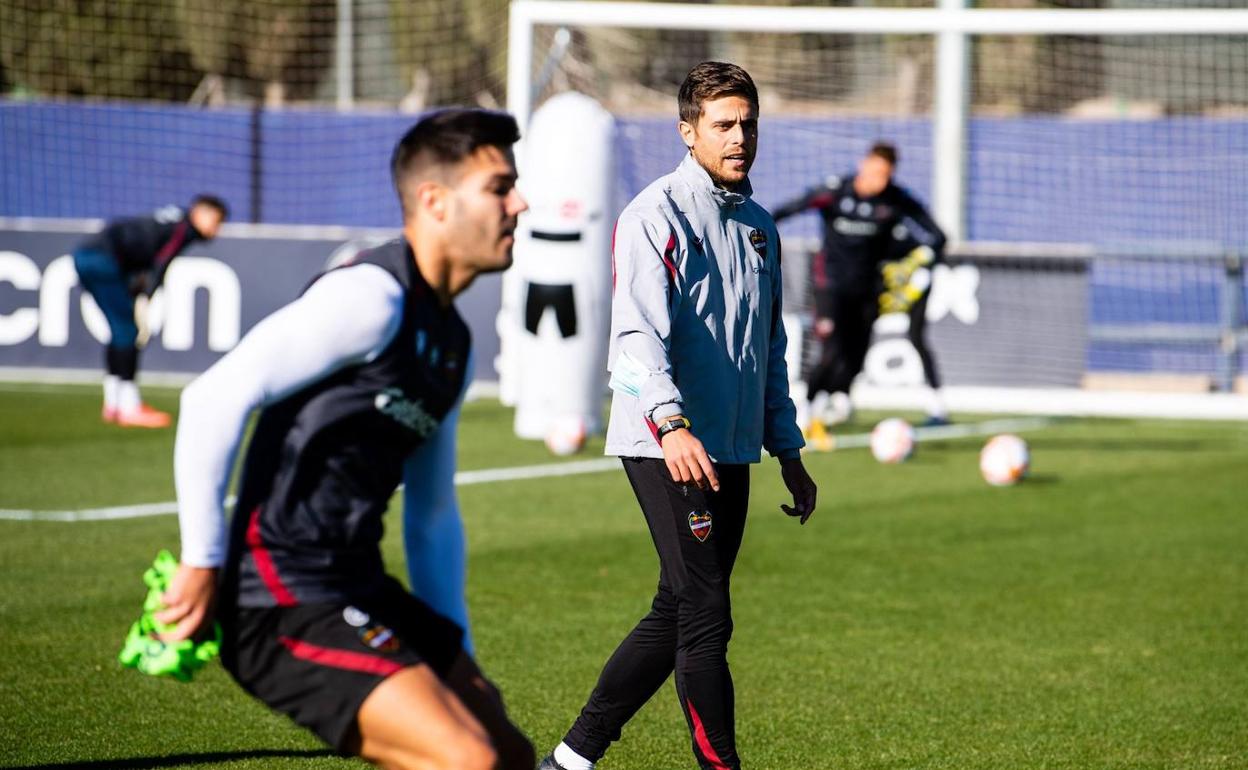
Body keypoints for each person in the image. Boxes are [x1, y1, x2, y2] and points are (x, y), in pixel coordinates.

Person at [154, 109, 534, 770]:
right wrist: (200, 559)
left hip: (360, 585)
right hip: (275, 596)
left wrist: (454, 648)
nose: (519, 203)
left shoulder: (454, 344)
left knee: (508, 751)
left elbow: (432, 514)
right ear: (435, 201)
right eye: (500, 187)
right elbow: (213, 396)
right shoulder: (370, 298)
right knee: (468, 762)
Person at [540, 62, 817, 770]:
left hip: (730, 447)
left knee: (676, 609)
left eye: (748, 123)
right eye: (724, 124)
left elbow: (770, 349)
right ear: (688, 133)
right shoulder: (652, 215)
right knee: (705, 616)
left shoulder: (759, 227)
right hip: (666, 443)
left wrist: (788, 448)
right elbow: (633, 341)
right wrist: (669, 423)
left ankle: (573, 758)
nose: (740, 136)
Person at [772, 141, 947, 429]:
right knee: (830, 349)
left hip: (868, 291)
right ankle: (806, 410)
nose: (879, 180)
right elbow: (789, 209)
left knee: (856, 354)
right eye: (875, 172)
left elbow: (937, 236)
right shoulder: (835, 193)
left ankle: (839, 398)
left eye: (886, 175)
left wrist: (924, 264)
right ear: (863, 165)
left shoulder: (896, 200)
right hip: (830, 286)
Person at [73, 195, 228, 427]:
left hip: (88, 255)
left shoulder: (173, 221)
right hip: (102, 258)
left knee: (120, 330)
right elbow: (160, 263)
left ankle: (114, 404)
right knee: (127, 330)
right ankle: (129, 406)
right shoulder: (181, 229)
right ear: (200, 213)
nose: (217, 230)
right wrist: (146, 297)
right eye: (216, 222)